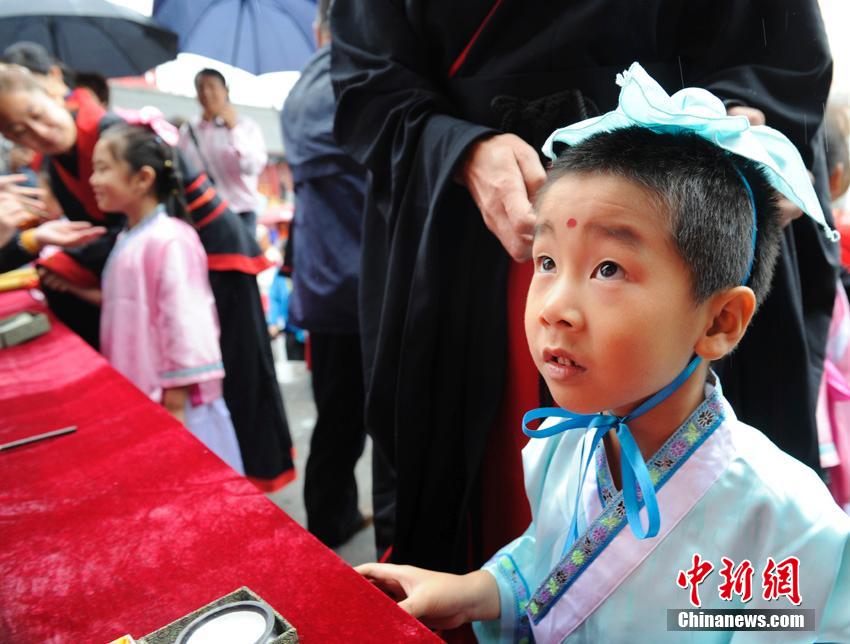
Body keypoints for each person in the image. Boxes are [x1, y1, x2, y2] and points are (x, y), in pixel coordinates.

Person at [330, 0, 836, 576]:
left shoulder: (792, 520)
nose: (556, 311)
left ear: (722, 321)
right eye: (546, 265)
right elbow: (535, 573)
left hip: (680, 212)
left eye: (606, 271)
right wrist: (457, 150)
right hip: (470, 243)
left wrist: (732, 135)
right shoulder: (550, 452)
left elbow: (781, 50)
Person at [0, 63, 295, 491]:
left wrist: (65, 261)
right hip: (163, 283)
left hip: (214, 261)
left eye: (36, 115)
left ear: (52, 89)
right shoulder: (69, 166)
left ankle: (251, 484)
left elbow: (184, 322)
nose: (36, 132)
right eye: (18, 130)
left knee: (235, 385)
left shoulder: (119, 144)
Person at [61, 123, 243, 474]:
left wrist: (175, 403)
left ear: (143, 178)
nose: (93, 180)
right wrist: (74, 288)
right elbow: (129, 307)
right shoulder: (131, 237)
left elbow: (186, 322)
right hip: (145, 391)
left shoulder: (170, 238)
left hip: (176, 403)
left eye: (103, 169)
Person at [281, 0, 372, 549]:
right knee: (360, 420)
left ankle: (333, 520)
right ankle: (332, 527)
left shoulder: (302, 90)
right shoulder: (357, 76)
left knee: (337, 416)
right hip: (361, 282)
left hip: (323, 281)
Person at [178, 68, 268, 235]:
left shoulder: (246, 126)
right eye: (201, 87)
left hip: (241, 212)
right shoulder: (189, 131)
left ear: (225, 90)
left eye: (212, 86)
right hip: (204, 212)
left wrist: (234, 129)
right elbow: (183, 170)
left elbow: (253, 167)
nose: (206, 92)